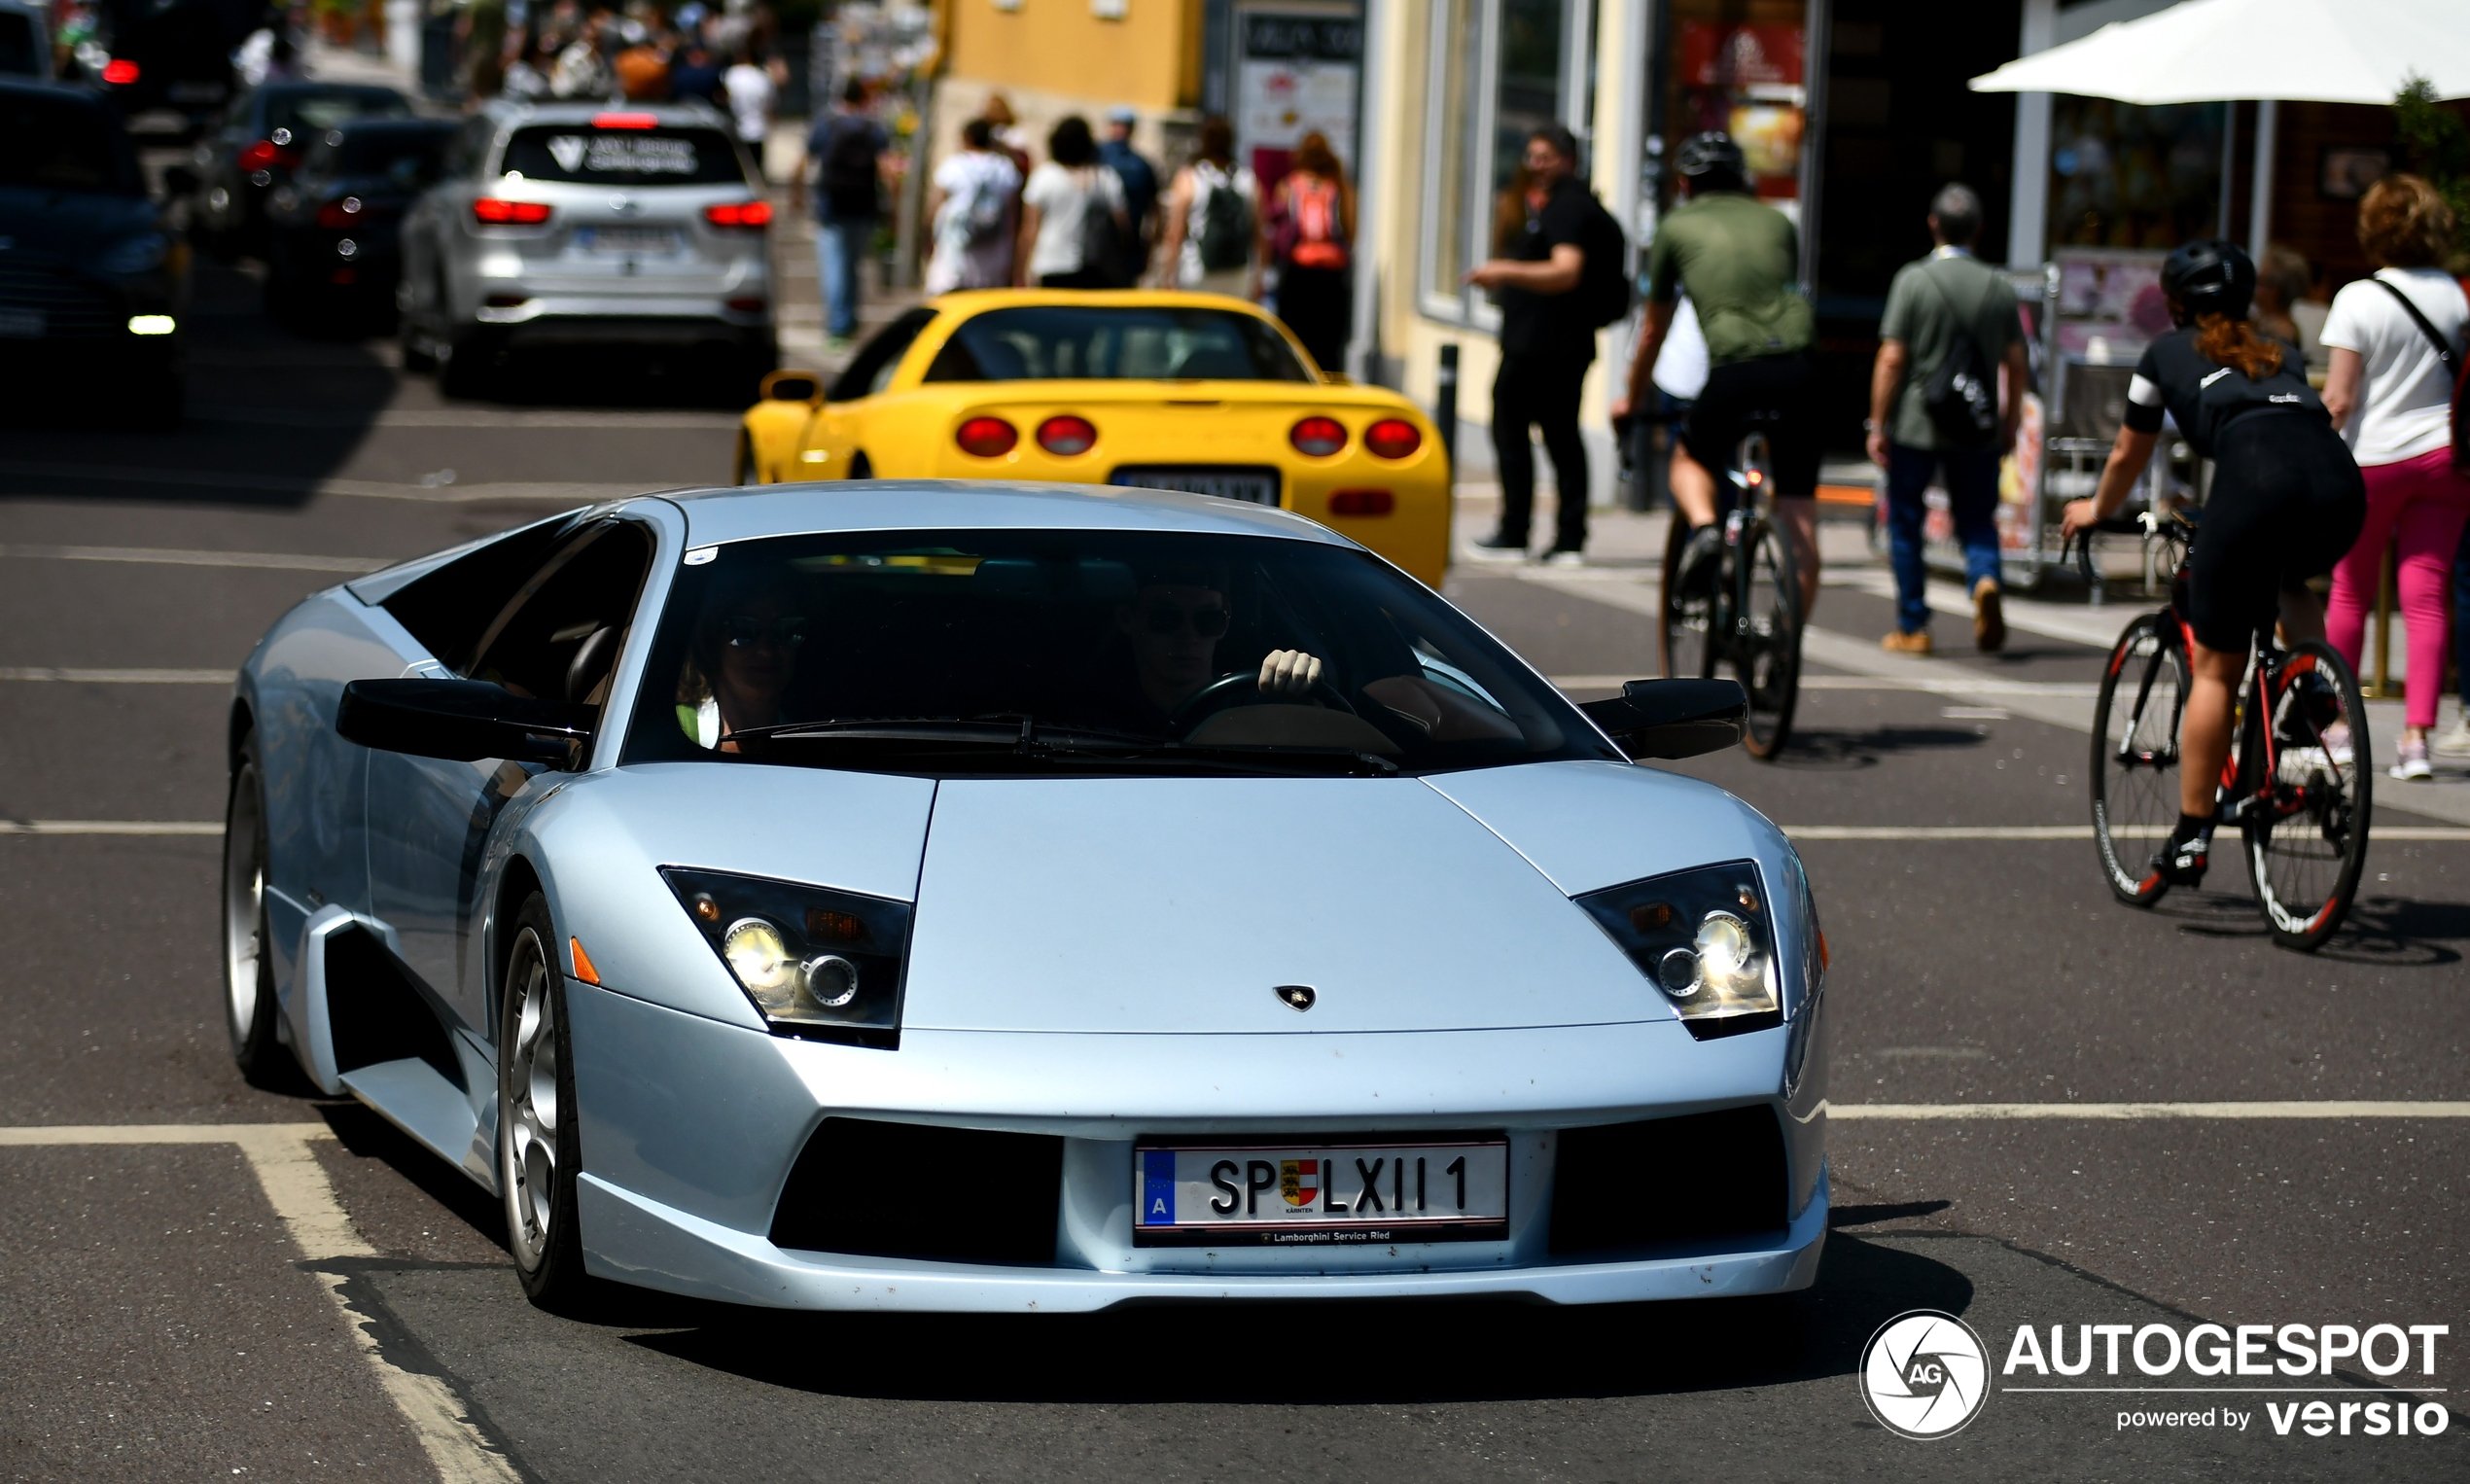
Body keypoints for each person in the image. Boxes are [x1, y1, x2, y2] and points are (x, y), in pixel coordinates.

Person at [2061, 240, 2366, 890]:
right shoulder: (2278, 349)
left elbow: (2126, 453)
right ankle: (2312, 685)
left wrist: (2094, 508)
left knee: (2216, 672)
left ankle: (2192, 833)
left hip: (2256, 485)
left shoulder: (2163, 354)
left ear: (2173, 303)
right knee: (2289, 577)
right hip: (2337, 487)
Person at [1612, 131, 1821, 614]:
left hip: (1736, 370)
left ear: (1685, 184)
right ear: (1742, 179)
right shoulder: (1777, 223)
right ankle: (1782, 655)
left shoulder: (1677, 226)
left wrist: (1633, 397)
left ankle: (1707, 530)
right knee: (1799, 517)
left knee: (1688, 460)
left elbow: (1652, 331)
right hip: (1801, 369)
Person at [2319, 175, 2470, 781]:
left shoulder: (2358, 297)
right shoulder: (2459, 298)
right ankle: (2415, 741)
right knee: (2427, 595)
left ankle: (2338, 728)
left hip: (2372, 460)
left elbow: (2338, 398)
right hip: (2445, 457)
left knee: (2350, 589)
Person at [1866, 183, 2031, 655]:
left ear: (1932, 224)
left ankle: (1913, 626)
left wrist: (1877, 423)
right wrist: (2010, 421)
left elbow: (1892, 358)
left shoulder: (1913, 280)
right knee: (1978, 518)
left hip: (1917, 422)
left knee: (1905, 521)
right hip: (1975, 422)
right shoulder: (1999, 286)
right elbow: (2016, 364)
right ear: (1980, 230)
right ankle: (1984, 580)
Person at [1464, 124, 1601, 565]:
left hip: (1546, 348)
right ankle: (1560, 537)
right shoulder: (1567, 205)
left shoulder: (1568, 208)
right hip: (1551, 345)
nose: (1537, 166)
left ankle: (1526, 533)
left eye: (1546, 156)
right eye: (1532, 157)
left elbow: (1567, 270)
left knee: (1529, 432)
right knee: (1555, 436)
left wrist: (1504, 270)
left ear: (1568, 159)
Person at [1100, 571, 1325, 730]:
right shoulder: (1090, 718)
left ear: (1226, 620)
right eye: (1166, 619)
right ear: (1127, 618)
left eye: (1208, 620)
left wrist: (1303, 694)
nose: (1189, 637)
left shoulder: (1257, 710)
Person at [805, 78, 887, 348]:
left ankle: (838, 326)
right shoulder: (873, 129)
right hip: (863, 204)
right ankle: (848, 318)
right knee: (853, 265)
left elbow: (804, 160)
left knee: (834, 266)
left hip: (832, 204)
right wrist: (893, 205)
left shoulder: (826, 125)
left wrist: (797, 195)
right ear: (863, 98)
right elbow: (887, 169)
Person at [678, 583, 806, 752]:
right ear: (712, 640)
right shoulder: (674, 729)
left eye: (787, 630)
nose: (766, 651)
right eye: (744, 631)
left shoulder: (810, 746)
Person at [1268, 130, 1353, 373]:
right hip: (1331, 273)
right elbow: (1350, 230)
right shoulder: (1338, 186)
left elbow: (1277, 226)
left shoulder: (1289, 185)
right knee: (1328, 340)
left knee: (1296, 337)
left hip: (1297, 271)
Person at [1018, 115, 1131, 290]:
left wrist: (1019, 273)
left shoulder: (1044, 177)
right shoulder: (1105, 177)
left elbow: (1029, 230)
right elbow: (1123, 226)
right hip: (1094, 266)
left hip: (1050, 264)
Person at [1159, 116, 1258, 299]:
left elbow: (1174, 232)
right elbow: (1260, 234)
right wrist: (1258, 279)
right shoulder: (1247, 179)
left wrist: (1168, 276)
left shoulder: (1189, 177)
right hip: (1238, 274)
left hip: (1197, 273)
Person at [925, 117, 1021, 295]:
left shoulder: (953, 165)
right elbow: (1013, 213)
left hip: (955, 250)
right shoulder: (1005, 167)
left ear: (966, 138)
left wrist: (928, 236)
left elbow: (935, 204)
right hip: (993, 251)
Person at [1097, 105, 1159, 265]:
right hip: (1120, 244)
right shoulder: (1141, 164)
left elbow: (1154, 209)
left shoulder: (1096, 156)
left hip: (1113, 245)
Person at [723, 44, 775, 155]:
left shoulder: (730, 74)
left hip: (735, 131)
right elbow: (770, 105)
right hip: (758, 130)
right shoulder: (762, 77)